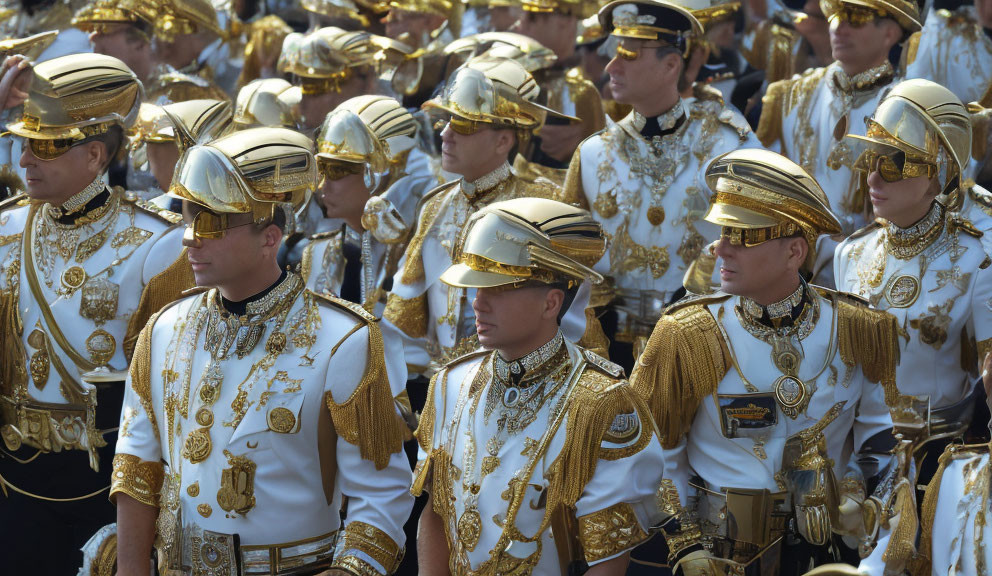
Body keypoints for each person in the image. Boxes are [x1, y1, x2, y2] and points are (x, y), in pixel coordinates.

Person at [112, 126, 414, 576]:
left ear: (269, 237)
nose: (189, 237)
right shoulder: (164, 328)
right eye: (188, 216)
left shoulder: (343, 339)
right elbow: (137, 464)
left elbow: (381, 492)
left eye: (211, 222)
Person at [632, 148, 912, 575]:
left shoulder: (858, 328)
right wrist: (686, 545)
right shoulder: (689, 334)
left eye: (740, 236)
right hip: (720, 552)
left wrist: (859, 494)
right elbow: (652, 454)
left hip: (829, 551)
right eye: (722, 231)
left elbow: (884, 444)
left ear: (794, 252)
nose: (718, 248)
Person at [0, 53, 190, 575]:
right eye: (23, 142)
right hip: (11, 481)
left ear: (93, 155)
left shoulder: (158, 244)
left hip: (100, 490)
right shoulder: (8, 227)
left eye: (45, 146)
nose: (25, 161)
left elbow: (174, 397)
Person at [413, 197, 670, 576]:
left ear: (551, 303)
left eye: (497, 290)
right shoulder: (450, 383)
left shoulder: (602, 401)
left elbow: (608, 556)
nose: (477, 303)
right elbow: (436, 512)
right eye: (476, 288)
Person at [562, 0, 756, 369]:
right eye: (612, 53)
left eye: (628, 55)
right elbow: (569, 260)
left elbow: (759, 241)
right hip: (609, 346)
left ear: (671, 65)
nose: (610, 67)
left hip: (708, 339)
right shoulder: (592, 153)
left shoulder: (727, 145)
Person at [383, 56, 602, 377]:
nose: (446, 135)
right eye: (445, 122)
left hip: (526, 382)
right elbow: (403, 311)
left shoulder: (545, 203)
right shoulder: (435, 205)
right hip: (443, 386)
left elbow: (571, 313)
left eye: (464, 125)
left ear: (503, 140)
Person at [834, 79, 992, 483]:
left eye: (893, 163)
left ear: (938, 174)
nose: (873, 178)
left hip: (937, 469)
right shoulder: (851, 253)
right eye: (871, 158)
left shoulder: (979, 260)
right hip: (852, 465)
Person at [756, 0, 921, 238]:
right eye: (834, 15)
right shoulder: (788, 96)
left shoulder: (908, 108)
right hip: (790, 259)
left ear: (890, 33)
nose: (838, 27)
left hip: (867, 263)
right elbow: (763, 191)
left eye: (855, 18)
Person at [301, 94, 420, 314]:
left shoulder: (415, 255)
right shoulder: (316, 253)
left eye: (337, 170)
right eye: (322, 170)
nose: (322, 187)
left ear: (380, 173)